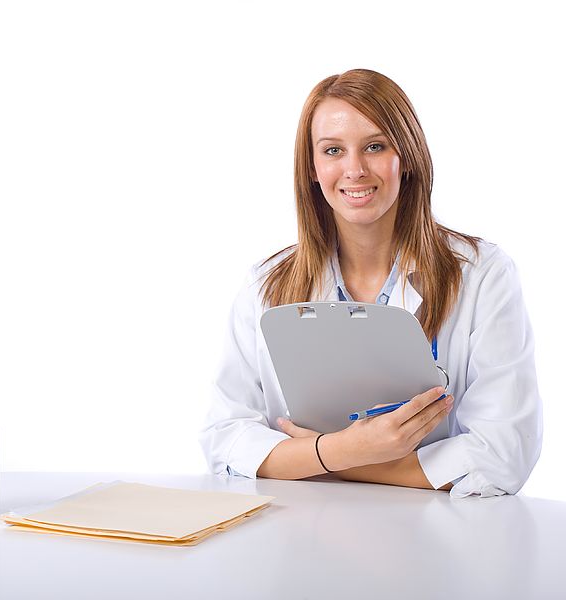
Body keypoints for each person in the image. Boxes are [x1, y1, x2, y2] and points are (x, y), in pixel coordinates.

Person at [198, 69, 542, 498]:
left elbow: (503, 455)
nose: (354, 169)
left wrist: (324, 458)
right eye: (333, 150)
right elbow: (225, 439)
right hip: (296, 541)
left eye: (375, 147)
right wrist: (348, 450)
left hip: (437, 544)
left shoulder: (481, 275)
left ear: (408, 156)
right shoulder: (266, 285)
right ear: (312, 168)